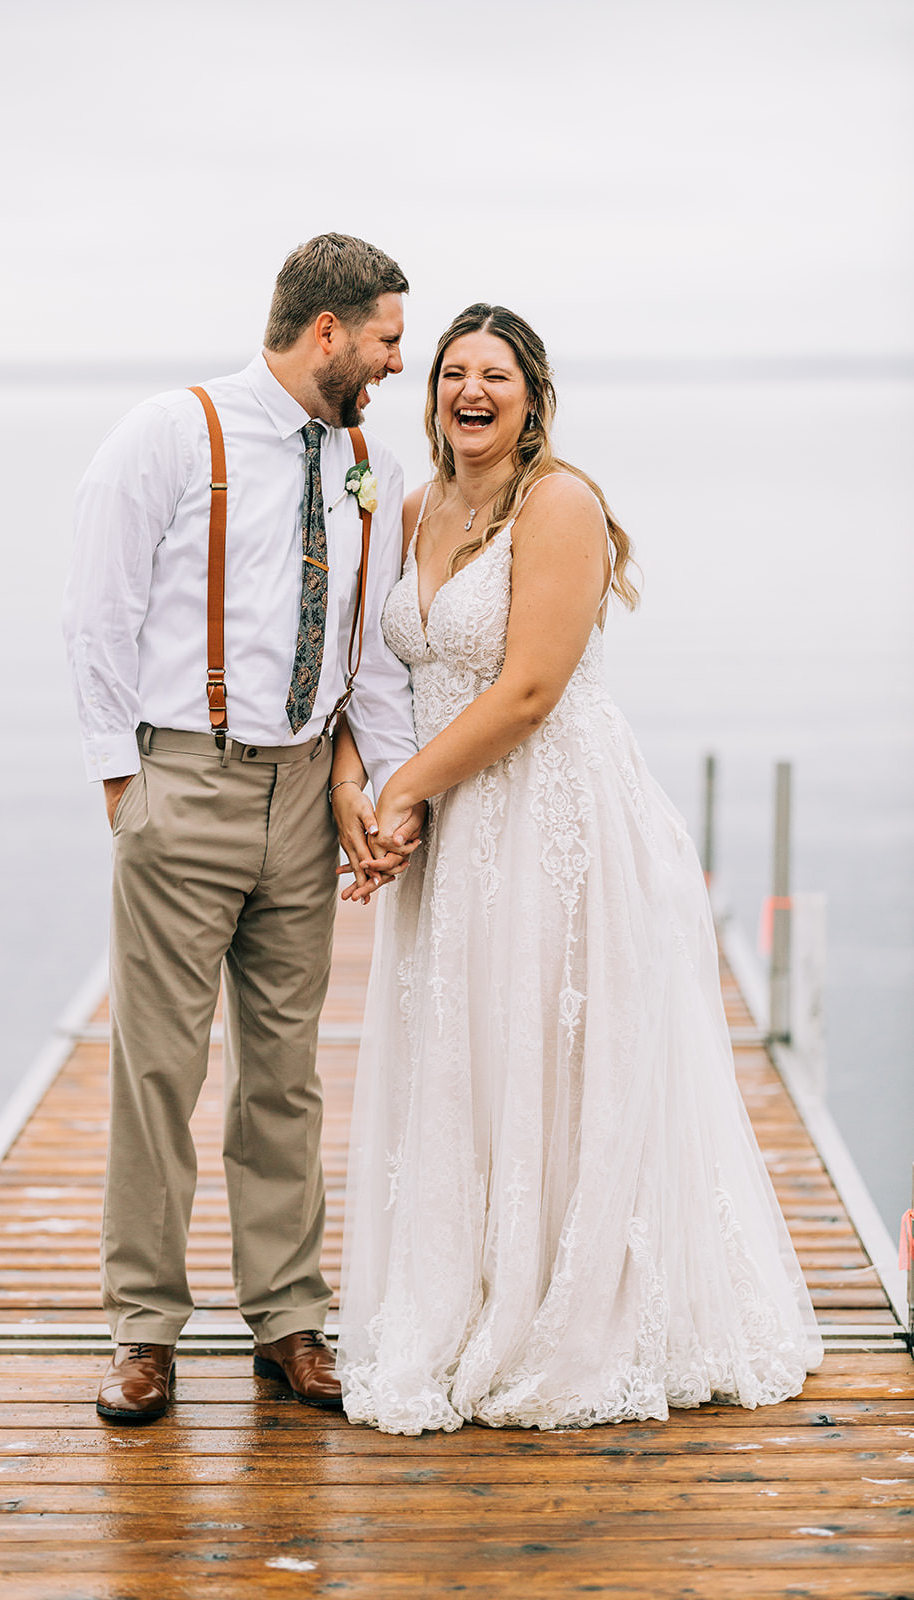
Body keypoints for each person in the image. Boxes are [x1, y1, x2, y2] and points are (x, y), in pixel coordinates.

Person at [329, 303, 824, 1435]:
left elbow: (529, 689)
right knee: (475, 1053)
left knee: (559, 1054)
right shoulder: (411, 507)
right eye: (451, 371)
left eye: (493, 374)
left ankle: (576, 1307)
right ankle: (472, 1293)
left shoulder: (560, 504)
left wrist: (405, 793)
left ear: (532, 394)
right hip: (456, 825)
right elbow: (379, 673)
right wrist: (370, 793)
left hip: (556, 814)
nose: (469, 390)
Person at [63, 234, 425, 1423]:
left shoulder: (359, 455)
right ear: (326, 332)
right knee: (156, 1071)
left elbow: (364, 643)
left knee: (285, 1077)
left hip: (304, 799)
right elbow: (98, 616)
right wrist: (129, 789)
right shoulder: (173, 433)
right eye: (383, 340)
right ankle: (144, 1332)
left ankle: (286, 1319)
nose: (392, 363)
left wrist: (363, 785)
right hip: (186, 784)